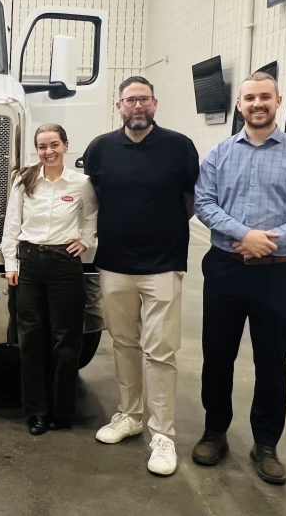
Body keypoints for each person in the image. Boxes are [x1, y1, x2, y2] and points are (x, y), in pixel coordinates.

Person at [193, 71, 286, 485]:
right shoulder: (219, 154)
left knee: (272, 361)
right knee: (218, 355)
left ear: (278, 101)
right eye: (250, 97)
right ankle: (215, 431)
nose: (257, 104)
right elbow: (204, 203)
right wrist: (244, 234)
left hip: (276, 274)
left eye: (264, 97)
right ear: (239, 104)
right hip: (225, 269)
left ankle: (266, 444)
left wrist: (269, 241)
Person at [83, 76, 199, 477]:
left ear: (155, 104)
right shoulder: (100, 149)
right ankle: (129, 415)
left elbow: (190, 201)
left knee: (161, 352)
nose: (137, 106)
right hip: (114, 265)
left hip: (164, 264)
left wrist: (159, 229)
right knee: (123, 343)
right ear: (119, 106)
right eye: (130, 100)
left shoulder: (179, 147)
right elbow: (93, 200)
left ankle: (162, 434)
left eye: (144, 99)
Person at [2, 124, 97, 436]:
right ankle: (36, 412)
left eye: (54, 144)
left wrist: (85, 240)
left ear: (65, 146)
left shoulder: (81, 183)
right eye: (42, 146)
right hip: (30, 264)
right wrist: (11, 263)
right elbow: (12, 222)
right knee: (31, 339)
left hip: (64, 265)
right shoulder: (25, 180)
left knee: (66, 340)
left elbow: (92, 217)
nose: (48, 151)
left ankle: (62, 411)